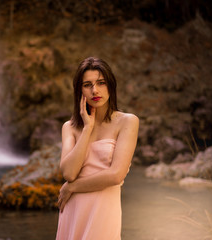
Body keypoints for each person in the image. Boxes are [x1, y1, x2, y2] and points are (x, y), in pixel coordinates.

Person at [55, 57, 139, 240]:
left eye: (101, 83)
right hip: (73, 210)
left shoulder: (127, 122)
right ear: (80, 91)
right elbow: (69, 173)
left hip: (103, 210)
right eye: (87, 85)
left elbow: (116, 174)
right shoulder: (69, 127)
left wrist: (72, 187)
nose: (95, 90)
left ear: (111, 85)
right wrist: (87, 128)